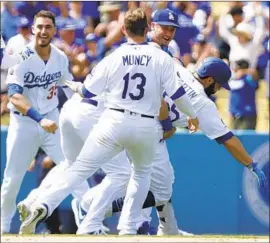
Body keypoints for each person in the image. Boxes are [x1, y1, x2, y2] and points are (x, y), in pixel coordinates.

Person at [19, 8, 199, 235]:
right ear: (148, 29)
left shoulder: (113, 56)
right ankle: (126, 227)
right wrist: (192, 115)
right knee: (139, 174)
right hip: (143, 125)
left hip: (108, 119)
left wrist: (76, 86)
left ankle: (43, 203)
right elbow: (177, 94)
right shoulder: (162, 57)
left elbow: (86, 90)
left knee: (78, 167)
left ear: (123, 29)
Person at [86, 56, 267, 234]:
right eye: (219, 84)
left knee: (136, 179)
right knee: (160, 191)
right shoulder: (203, 103)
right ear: (210, 79)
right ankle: (100, 209)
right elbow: (228, 140)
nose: (219, 89)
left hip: (121, 120)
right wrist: (250, 164)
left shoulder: (178, 69)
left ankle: (163, 228)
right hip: (149, 132)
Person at [0, 10, 86, 234]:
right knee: (12, 179)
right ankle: (3, 229)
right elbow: (14, 96)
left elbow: (66, 83)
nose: (43, 31)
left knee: (75, 169)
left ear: (54, 30)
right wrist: (39, 118)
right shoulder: (21, 57)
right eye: (39, 27)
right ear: (33, 30)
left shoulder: (59, 56)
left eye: (48, 27)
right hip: (25, 123)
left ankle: (91, 223)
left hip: (52, 120)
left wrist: (81, 95)